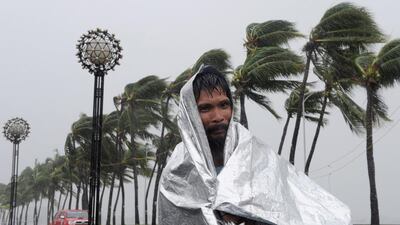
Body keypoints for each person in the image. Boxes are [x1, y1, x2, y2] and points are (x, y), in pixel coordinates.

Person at [158, 65, 351, 225]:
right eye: (205, 108)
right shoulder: (176, 175)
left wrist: (247, 213)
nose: (218, 117)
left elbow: (290, 210)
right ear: (191, 115)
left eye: (224, 105)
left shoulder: (254, 156)